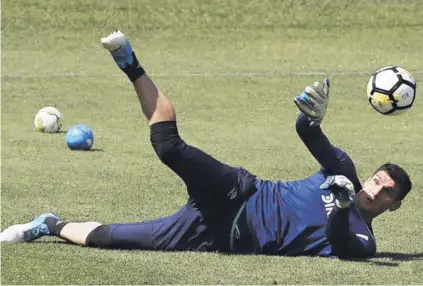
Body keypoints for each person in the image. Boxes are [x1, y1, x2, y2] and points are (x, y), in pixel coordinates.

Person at [0, 31, 412, 259]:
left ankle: (48, 224)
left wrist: (341, 208)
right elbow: (307, 132)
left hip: (216, 237)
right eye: (377, 180)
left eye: (385, 191)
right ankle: (130, 63)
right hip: (239, 192)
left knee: (115, 238)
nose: (374, 189)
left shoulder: (364, 242)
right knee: (169, 147)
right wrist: (312, 117)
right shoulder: (341, 169)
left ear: (393, 206)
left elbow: (339, 241)